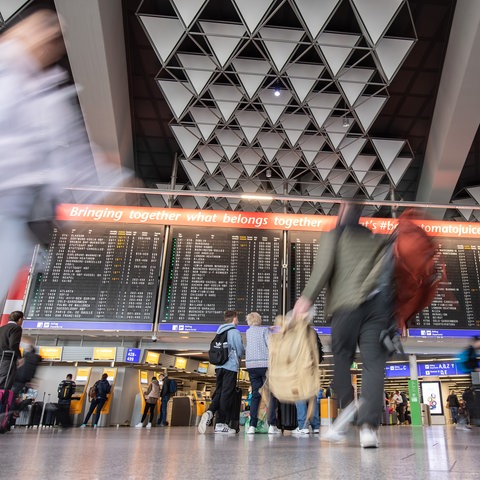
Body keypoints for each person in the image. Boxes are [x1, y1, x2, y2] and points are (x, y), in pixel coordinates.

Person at [0, 8, 134, 304]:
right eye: (44, 31)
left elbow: (72, 164)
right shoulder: (11, 75)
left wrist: (112, 179)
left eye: (54, 37)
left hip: (17, 216)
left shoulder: (49, 97)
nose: (49, 40)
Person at [292, 202, 392, 448]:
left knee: (342, 357)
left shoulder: (334, 236)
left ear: (342, 213)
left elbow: (322, 269)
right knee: (373, 364)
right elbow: (391, 274)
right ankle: (369, 429)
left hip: (345, 306)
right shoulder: (377, 239)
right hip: (378, 308)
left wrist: (305, 299)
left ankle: (348, 409)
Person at [198, 310, 245, 434]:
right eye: (237, 318)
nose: (238, 321)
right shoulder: (234, 332)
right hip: (230, 367)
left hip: (219, 367)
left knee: (219, 392)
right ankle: (220, 424)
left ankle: (210, 411)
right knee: (226, 394)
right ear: (234, 318)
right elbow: (239, 350)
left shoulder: (219, 331)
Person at [244, 311, 280, 435]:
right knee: (270, 395)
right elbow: (270, 345)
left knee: (255, 395)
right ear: (259, 320)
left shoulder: (248, 332)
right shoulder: (264, 331)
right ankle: (272, 425)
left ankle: (252, 426)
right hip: (264, 365)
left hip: (251, 366)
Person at [0, 310, 24, 389]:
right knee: (5, 383)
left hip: (1, 357)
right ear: (20, 319)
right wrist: (20, 357)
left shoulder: (2, 328)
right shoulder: (16, 328)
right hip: (7, 359)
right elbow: (13, 345)